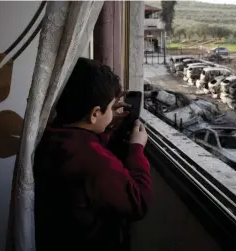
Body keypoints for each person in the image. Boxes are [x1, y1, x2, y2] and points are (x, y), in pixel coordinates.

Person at [33, 57, 152, 251]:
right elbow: (139, 203)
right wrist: (136, 149)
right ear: (94, 113)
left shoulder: (48, 137)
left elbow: (82, 140)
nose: (113, 112)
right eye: (111, 107)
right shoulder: (94, 162)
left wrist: (106, 124)